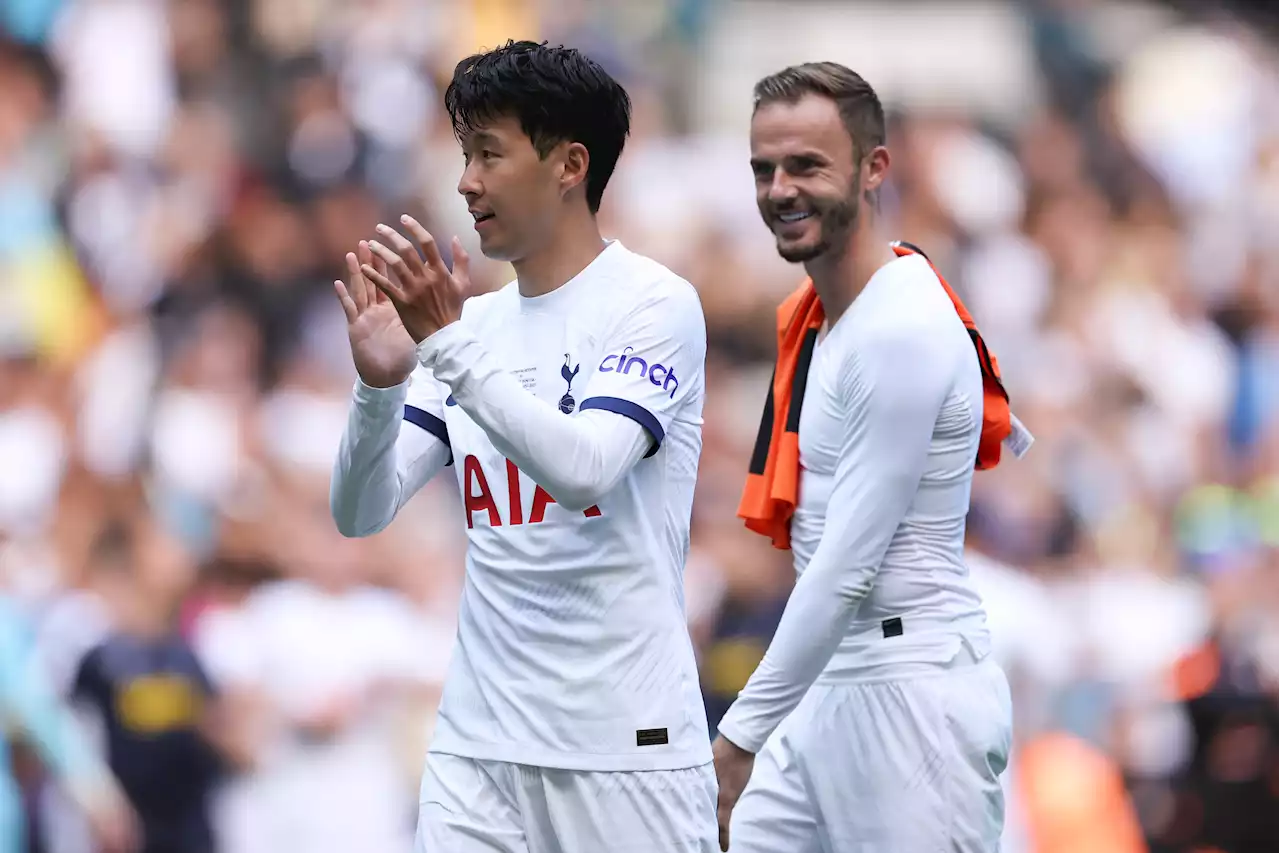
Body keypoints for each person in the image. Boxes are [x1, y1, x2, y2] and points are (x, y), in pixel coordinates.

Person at [329, 40, 717, 852]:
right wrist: (377, 388)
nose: (465, 181)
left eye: (488, 154)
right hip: (479, 749)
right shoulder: (469, 331)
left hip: (624, 748)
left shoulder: (654, 305)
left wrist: (444, 348)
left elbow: (585, 470)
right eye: (464, 155)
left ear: (570, 164)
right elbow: (361, 513)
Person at [711, 62, 1033, 852]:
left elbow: (849, 562)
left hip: (912, 691)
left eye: (808, 164)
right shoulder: (824, 320)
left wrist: (739, 733)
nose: (781, 189)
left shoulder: (900, 326)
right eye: (765, 168)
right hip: (833, 676)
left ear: (874, 168)